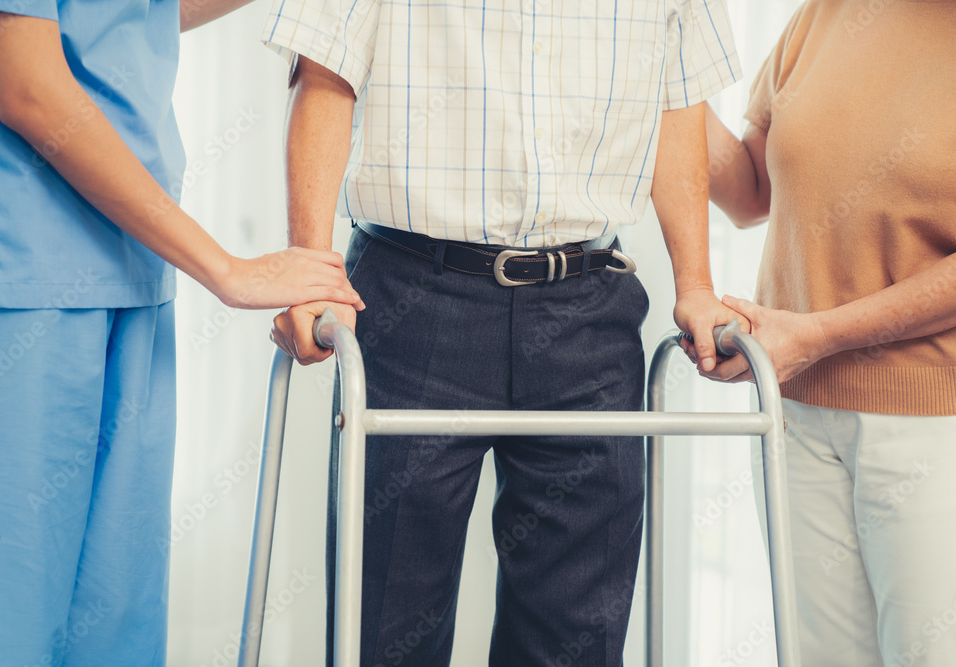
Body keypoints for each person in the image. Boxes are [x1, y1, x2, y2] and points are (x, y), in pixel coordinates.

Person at [266, 2, 747, 664]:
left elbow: (677, 101)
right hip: (413, 299)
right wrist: (311, 267)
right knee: (386, 626)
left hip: (589, 311)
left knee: (574, 639)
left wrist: (695, 281)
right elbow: (325, 70)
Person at [0, 0, 363, 664]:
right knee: (3, 623)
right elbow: (28, 85)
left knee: (116, 628)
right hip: (23, 283)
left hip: (133, 272)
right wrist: (227, 270)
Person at [698, 1, 956, 665]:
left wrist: (815, 334)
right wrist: (657, 71)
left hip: (939, 418)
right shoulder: (826, 14)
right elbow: (749, 190)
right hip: (796, 407)